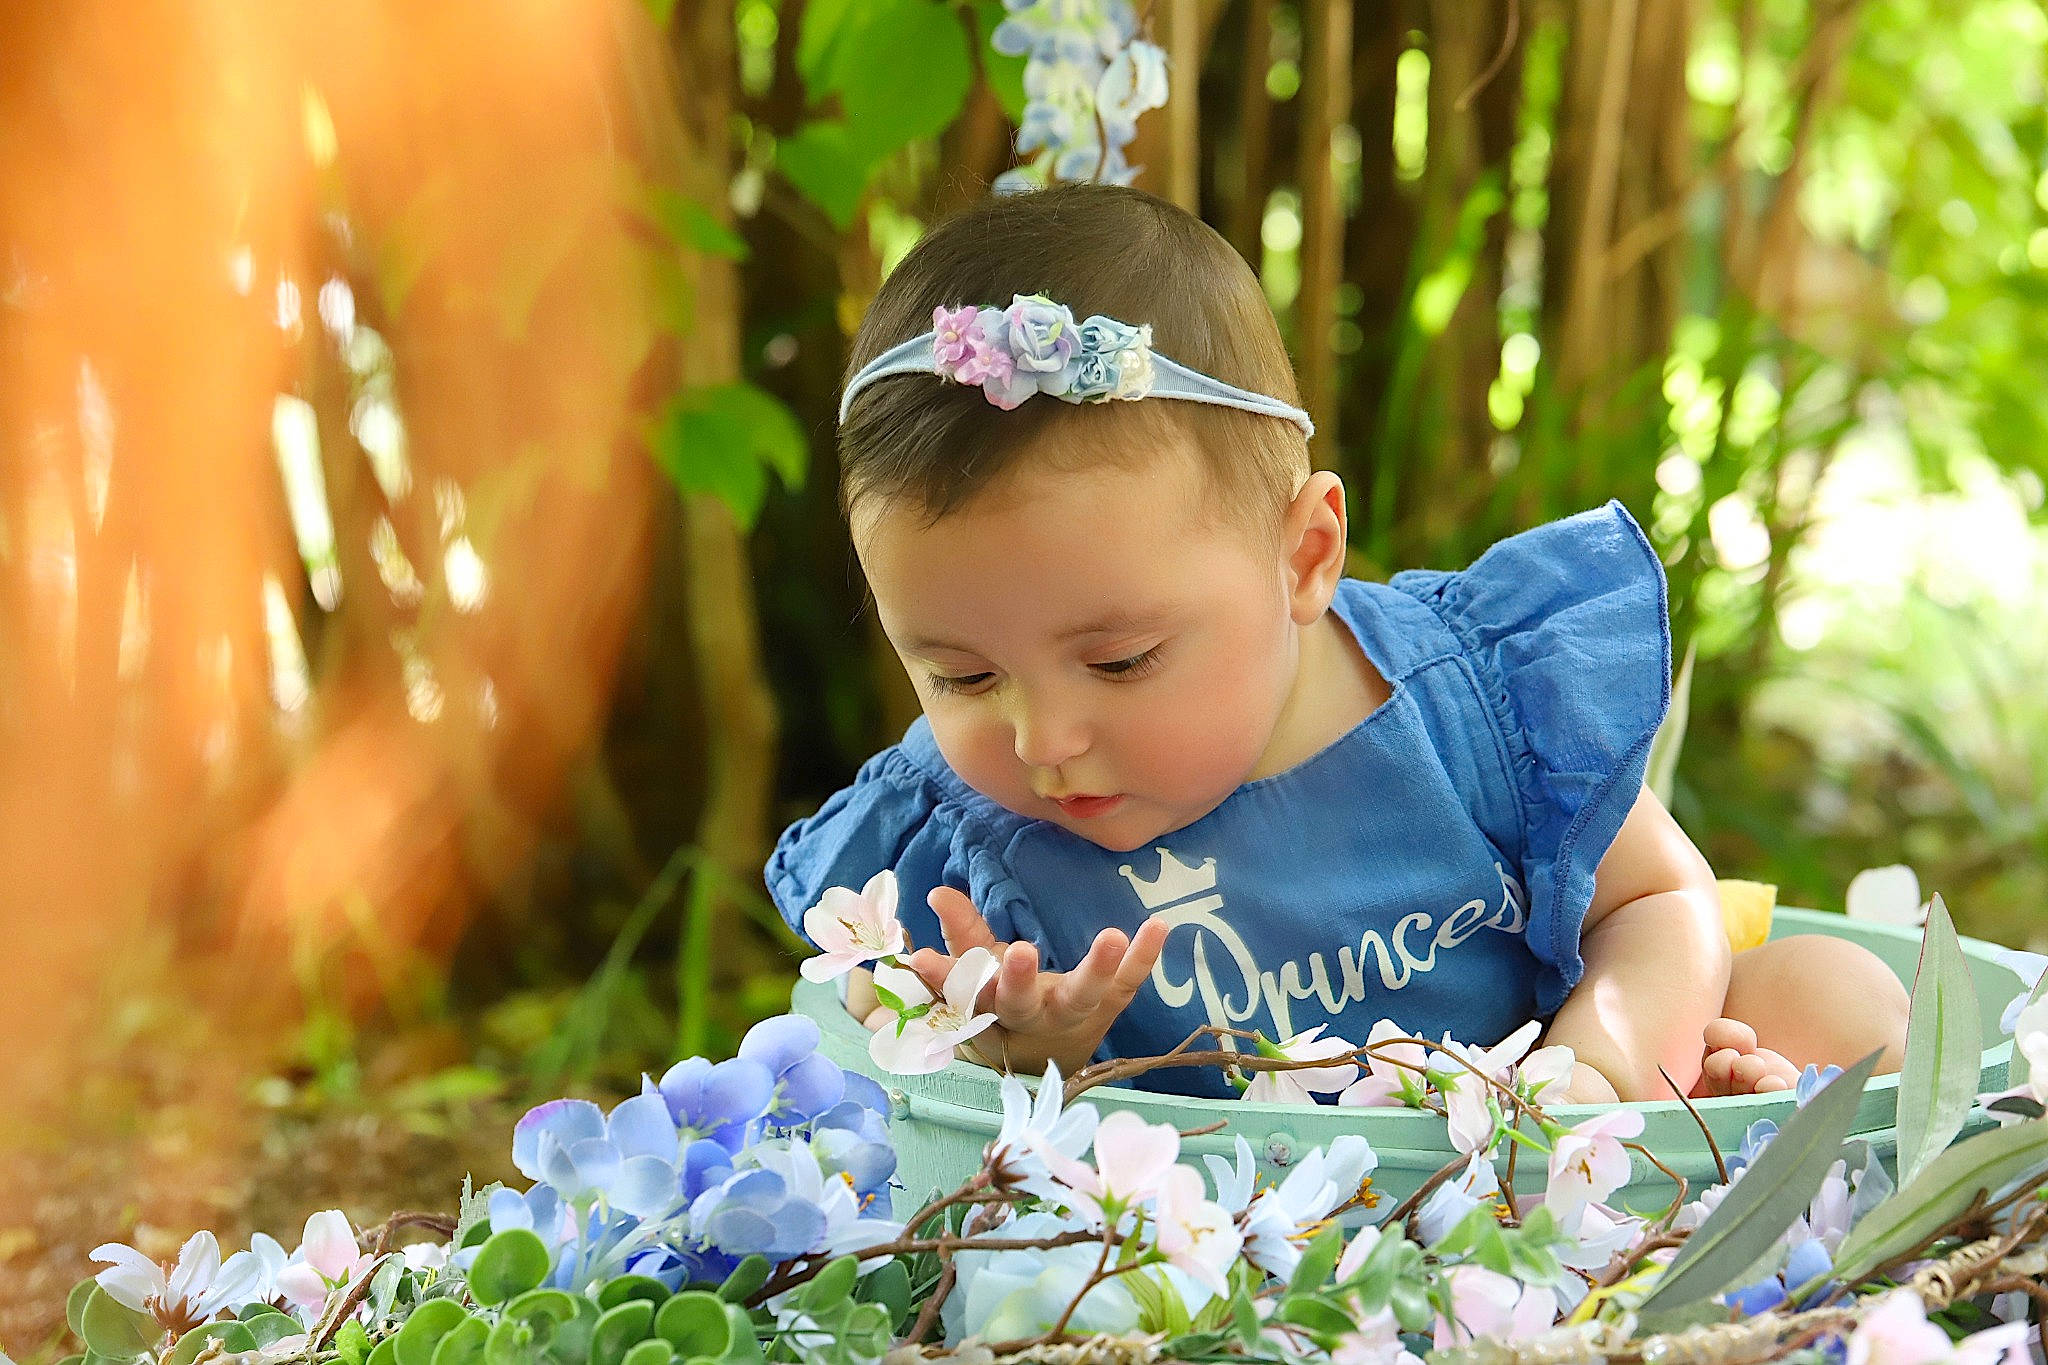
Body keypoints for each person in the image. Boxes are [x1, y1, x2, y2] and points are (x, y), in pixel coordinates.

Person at [767, 182, 1907, 1104]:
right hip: (1228, 1241)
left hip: (1531, 1159)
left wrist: (1603, 1075)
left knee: (1838, 997)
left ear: (1305, 555)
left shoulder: (1469, 702)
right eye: (959, 675)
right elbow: (879, 1030)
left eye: (1119, 661)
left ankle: (1714, 1189)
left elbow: (1657, 901)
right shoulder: (963, 843)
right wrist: (1013, 1052)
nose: (1045, 738)